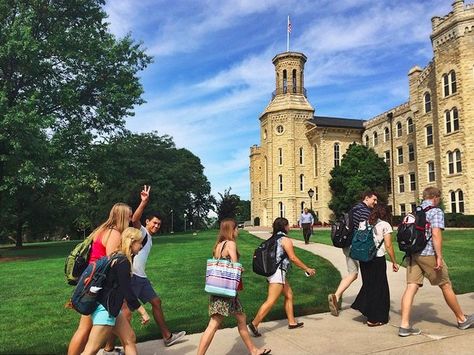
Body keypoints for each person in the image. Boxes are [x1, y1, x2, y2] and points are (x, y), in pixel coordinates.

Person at [398, 186, 474, 336]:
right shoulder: (435, 211)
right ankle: (462, 319)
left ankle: (404, 325)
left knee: (411, 287)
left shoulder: (414, 212)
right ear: (435, 197)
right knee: (445, 285)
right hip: (428, 254)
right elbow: (436, 234)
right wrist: (439, 256)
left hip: (412, 255)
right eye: (439, 198)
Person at [198, 218, 271, 355]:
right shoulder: (231, 244)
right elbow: (234, 264)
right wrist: (240, 269)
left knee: (241, 318)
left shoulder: (218, 245)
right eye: (236, 228)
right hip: (227, 291)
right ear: (232, 229)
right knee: (213, 324)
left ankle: (253, 350)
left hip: (220, 289)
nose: (238, 231)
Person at [68, 203, 133, 355]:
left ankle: (110, 348)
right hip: (100, 287)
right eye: (129, 216)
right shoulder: (114, 234)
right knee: (87, 332)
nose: (131, 219)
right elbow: (113, 263)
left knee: (84, 329)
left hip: (91, 283)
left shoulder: (101, 230)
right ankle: (112, 348)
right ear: (122, 216)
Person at [126, 185, 186, 347]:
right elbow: (134, 219)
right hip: (133, 277)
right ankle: (110, 347)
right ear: (147, 222)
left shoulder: (149, 237)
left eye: (159, 224)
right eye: (154, 223)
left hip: (141, 276)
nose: (156, 226)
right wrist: (143, 202)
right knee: (124, 313)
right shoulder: (143, 232)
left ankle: (167, 336)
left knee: (156, 302)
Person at [82, 227, 150, 355]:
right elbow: (128, 292)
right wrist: (143, 312)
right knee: (91, 350)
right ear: (132, 242)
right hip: (106, 310)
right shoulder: (123, 262)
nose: (141, 246)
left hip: (110, 307)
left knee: (129, 338)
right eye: (139, 243)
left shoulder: (115, 256)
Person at [248, 217, 316, 337]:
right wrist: (307, 268)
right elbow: (293, 258)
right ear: (284, 226)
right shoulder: (285, 240)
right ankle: (254, 323)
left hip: (273, 272)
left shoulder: (273, 238)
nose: (289, 227)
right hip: (277, 273)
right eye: (288, 225)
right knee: (271, 300)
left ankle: (292, 322)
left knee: (289, 295)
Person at [328, 190, 378, 316]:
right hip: (356, 246)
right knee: (368, 273)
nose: (375, 203)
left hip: (346, 244)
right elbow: (363, 230)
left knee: (353, 273)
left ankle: (336, 296)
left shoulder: (354, 208)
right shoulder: (365, 211)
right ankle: (368, 301)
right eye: (374, 200)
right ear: (366, 198)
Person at [351, 204, 399, 326]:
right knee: (379, 288)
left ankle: (367, 310)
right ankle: (374, 318)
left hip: (364, 258)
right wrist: (394, 261)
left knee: (368, 285)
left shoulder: (364, 223)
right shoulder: (385, 225)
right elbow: (388, 245)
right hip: (377, 258)